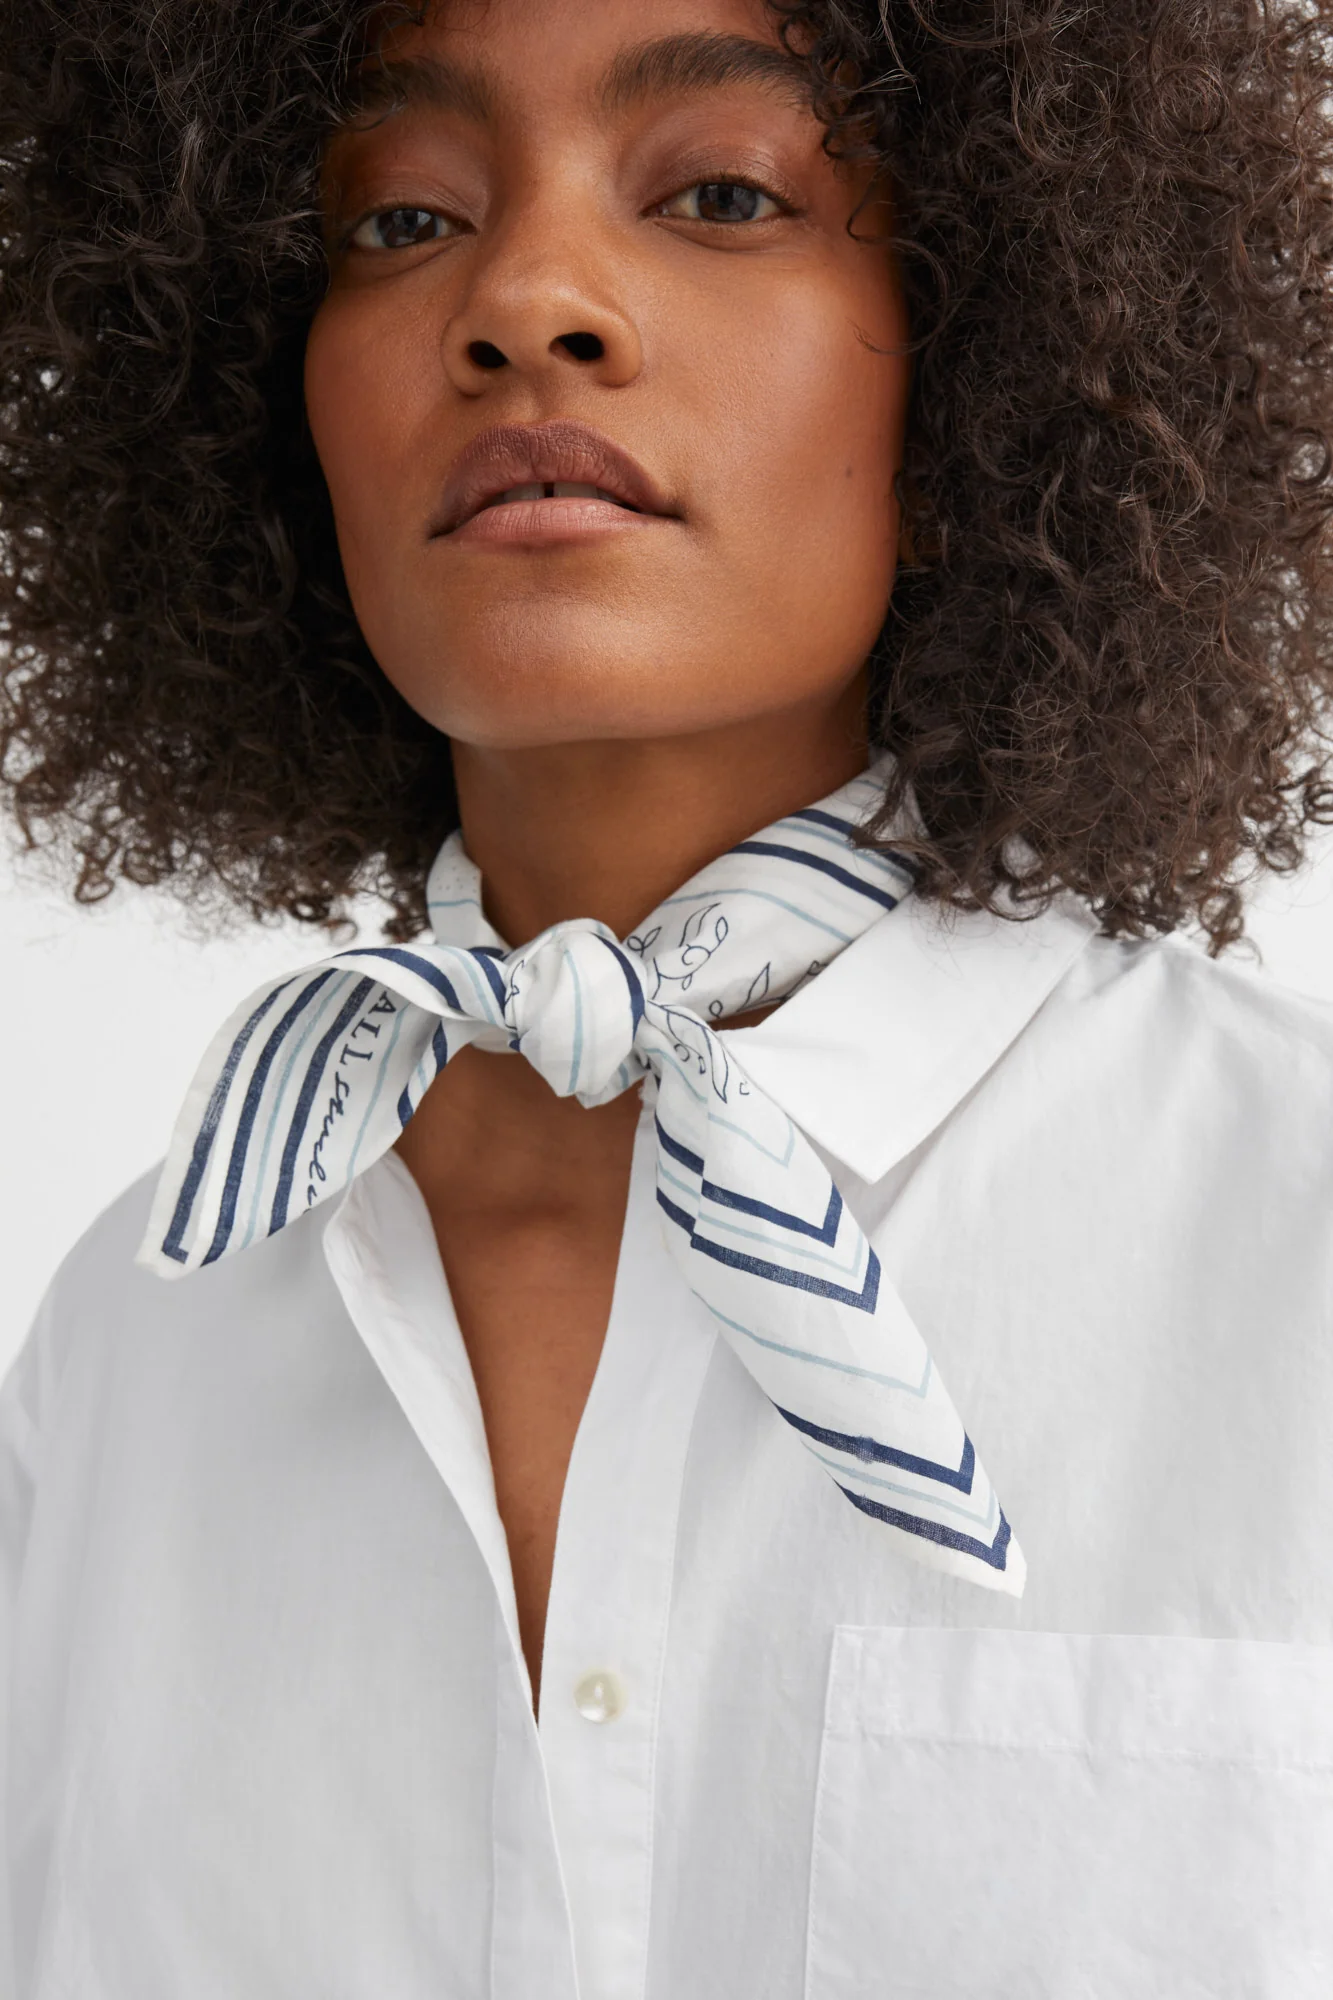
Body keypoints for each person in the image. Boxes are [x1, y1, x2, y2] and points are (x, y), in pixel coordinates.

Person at [3, 0, 1333, 1991]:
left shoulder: (1296, 1250)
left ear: (988, 361)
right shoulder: (135, 1351)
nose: (525, 302)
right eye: (400, 219)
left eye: (721, 193)